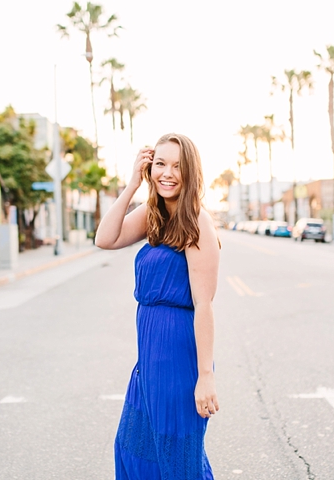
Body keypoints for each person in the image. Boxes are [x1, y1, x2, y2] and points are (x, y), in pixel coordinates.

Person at [95, 134, 220, 479]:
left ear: (190, 172)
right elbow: (105, 238)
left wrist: (205, 376)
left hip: (178, 360)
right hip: (149, 360)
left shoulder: (196, 221)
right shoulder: (152, 216)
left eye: (178, 166)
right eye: (160, 164)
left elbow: (204, 304)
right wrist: (133, 183)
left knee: (178, 461)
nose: (167, 173)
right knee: (133, 449)